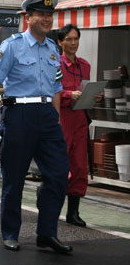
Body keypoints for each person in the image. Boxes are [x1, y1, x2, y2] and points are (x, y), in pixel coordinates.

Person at [0, 0, 72, 254]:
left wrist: (55, 117)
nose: (47, 19)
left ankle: (46, 234)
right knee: (14, 179)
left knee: (58, 175)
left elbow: (57, 87)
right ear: (28, 18)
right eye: (41, 15)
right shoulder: (11, 45)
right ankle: (10, 232)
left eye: (50, 15)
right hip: (19, 116)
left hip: (47, 116)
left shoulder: (53, 49)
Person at [57, 24, 90, 227]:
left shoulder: (85, 65)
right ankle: (49, 202)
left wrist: (93, 95)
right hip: (61, 119)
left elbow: (84, 88)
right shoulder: (55, 64)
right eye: (68, 39)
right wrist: (70, 94)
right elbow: (50, 92)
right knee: (59, 165)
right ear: (60, 42)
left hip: (80, 118)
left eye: (76, 38)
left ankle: (73, 212)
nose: (73, 43)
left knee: (79, 166)